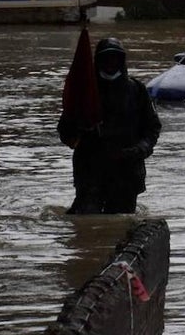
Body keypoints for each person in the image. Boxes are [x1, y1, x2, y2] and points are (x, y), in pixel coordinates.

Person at [58, 37, 161, 214]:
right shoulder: (85, 93)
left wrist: (139, 150)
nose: (111, 63)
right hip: (90, 171)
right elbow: (65, 131)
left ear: (122, 61)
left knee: (121, 224)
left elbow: (152, 128)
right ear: (97, 61)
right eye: (106, 58)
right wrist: (80, 129)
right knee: (87, 224)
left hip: (127, 172)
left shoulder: (136, 90)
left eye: (115, 58)